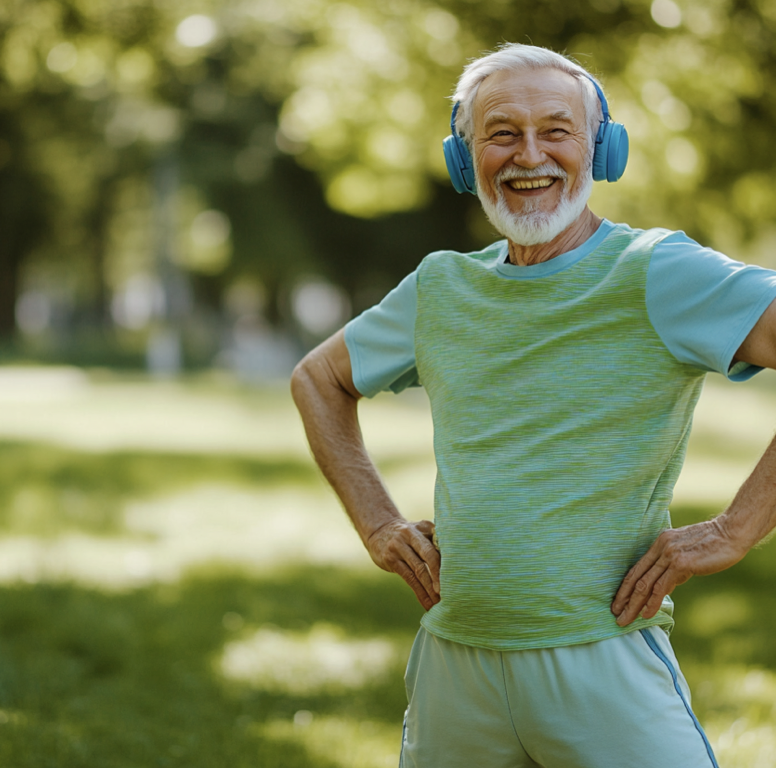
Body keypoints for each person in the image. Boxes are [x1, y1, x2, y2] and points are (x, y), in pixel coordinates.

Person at [290, 43, 776, 768]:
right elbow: (317, 380)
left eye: (557, 129)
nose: (530, 155)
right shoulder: (440, 288)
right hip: (454, 663)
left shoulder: (656, 271)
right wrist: (378, 523)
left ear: (601, 150)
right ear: (464, 158)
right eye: (501, 132)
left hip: (603, 663)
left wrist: (739, 528)